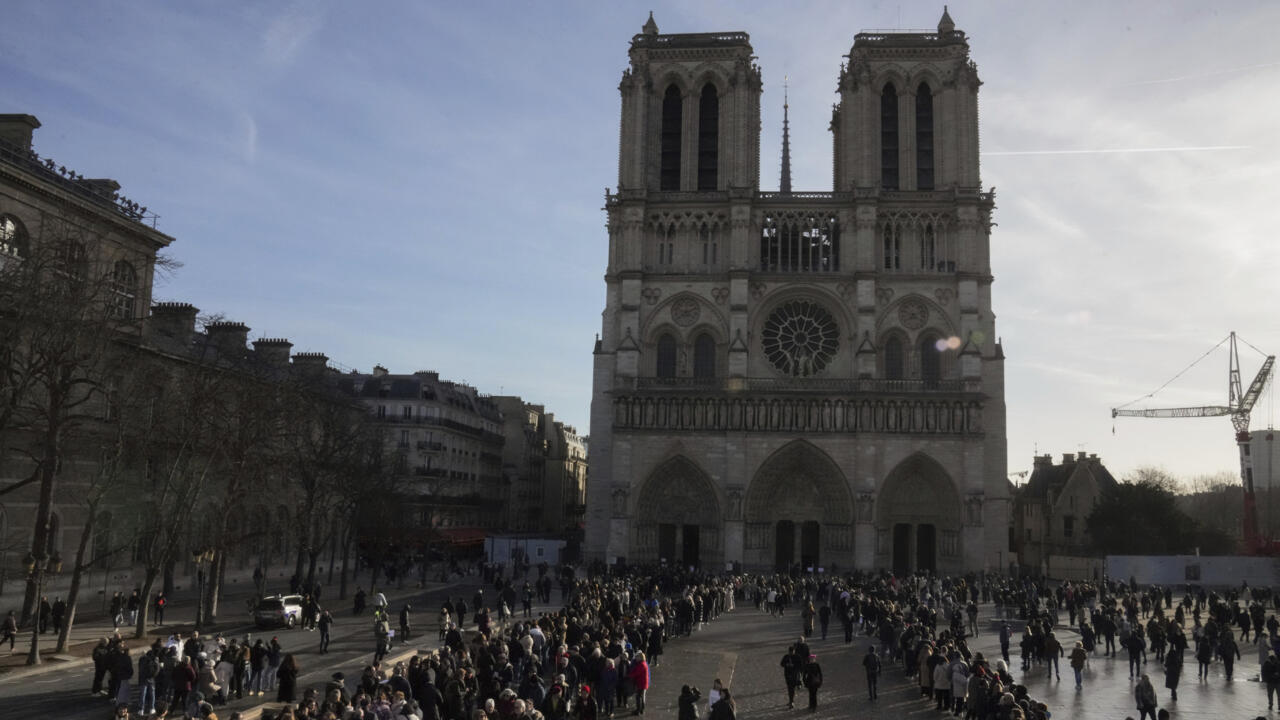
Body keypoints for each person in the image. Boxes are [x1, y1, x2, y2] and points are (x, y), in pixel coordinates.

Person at [627, 651, 650, 715]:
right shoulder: (643, 663)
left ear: (640, 658)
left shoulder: (641, 664)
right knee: (641, 697)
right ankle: (641, 709)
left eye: (637, 657)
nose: (636, 659)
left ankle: (638, 710)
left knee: (639, 697)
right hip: (642, 683)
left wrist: (629, 676)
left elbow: (636, 673)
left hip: (641, 683)